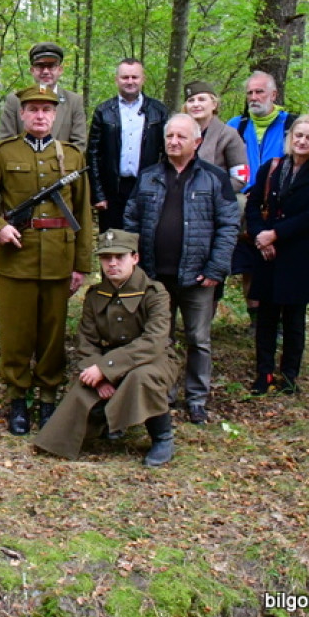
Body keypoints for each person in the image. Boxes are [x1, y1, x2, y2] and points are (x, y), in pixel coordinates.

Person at [0, 84, 93, 435]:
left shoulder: (71, 156)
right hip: (17, 257)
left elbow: (82, 213)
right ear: (22, 114)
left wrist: (82, 265)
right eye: (33, 110)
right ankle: (18, 397)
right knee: (17, 334)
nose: (40, 116)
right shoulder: (4, 154)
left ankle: (48, 397)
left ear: (56, 115)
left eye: (47, 110)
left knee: (52, 335)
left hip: (58, 257)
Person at [123, 114, 240, 424]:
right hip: (155, 276)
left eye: (181, 137)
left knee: (198, 339)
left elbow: (229, 225)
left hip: (198, 277)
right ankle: (164, 392)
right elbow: (131, 220)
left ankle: (197, 399)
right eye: (170, 136)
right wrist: (135, 264)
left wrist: (216, 268)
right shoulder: (148, 177)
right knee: (161, 338)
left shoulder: (214, 178)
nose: (174, 141)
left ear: (197, 142)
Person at [33, 230, 179, 467]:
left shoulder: (155, 293)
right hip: (107, 361)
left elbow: (154, 341)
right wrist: (99, 377)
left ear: (135, 258)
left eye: (119, 257)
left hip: (155, 359)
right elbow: (86, 341)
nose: (112, 263)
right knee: (84, 389)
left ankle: (162, 437)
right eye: (106, 257)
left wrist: (106, 368)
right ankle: (104, 425)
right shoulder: (95, 295)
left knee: (141, 378)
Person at [245, 114, 309, 395]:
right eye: (299, 135)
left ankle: (289, 374)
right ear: (290, 137)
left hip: (299, 254)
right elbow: (253, 205)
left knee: (294, 319)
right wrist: (262, 236)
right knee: (266, 317)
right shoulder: (272, 168)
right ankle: (264, 373)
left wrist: (277, 234)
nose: (302, 141)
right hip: (267, 254)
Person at [227, 71, 299, 327]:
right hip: (246, 204)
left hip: (282, 206)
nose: (254, 98)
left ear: (274, 95)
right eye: (250, 93)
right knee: (249, 262)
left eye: (260, 92)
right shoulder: (236, 125)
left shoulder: (291, 125)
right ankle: (256, 320)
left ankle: (277, 321)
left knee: (277, 262)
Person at [86, 58, 169, 232]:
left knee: (144, 241)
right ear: (117, 79)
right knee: (113, 243)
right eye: (125, 77)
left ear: (142, 79)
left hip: (147, 186)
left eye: (134, 77)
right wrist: (98, 194)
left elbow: (167, 152)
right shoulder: (104, 111)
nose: (130, 82)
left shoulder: (158, 110)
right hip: (113, 189)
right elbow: (93, 155)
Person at [0, 42, 86, 147]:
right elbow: (5, 142)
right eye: (40, 66)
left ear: (60, 70)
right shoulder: (15, 100)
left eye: (51, 66)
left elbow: (79, 144)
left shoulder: (74, 101)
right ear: (32, 70)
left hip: (62, 162)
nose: (46, 71)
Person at [181, 81, 249, 192]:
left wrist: (211, 193)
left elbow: (240, 178)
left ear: (214, 104)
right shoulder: (178, 134)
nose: (196, 104)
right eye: (191, 100)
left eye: (201, 99)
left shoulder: (228, 135)